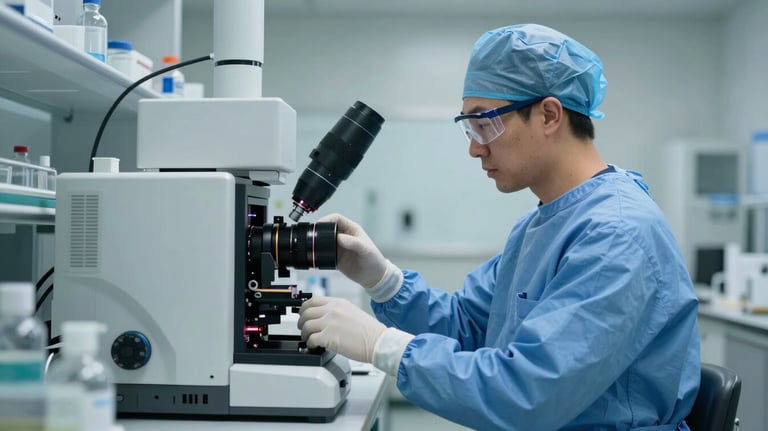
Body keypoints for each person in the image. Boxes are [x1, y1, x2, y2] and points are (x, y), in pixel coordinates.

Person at [298, 23, 700, 430]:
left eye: (485, 122)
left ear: (548, 114)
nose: (475, 147)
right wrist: (382, 279)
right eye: (469, 127)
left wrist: (382, 345)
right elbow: (469, 327)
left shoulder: (617, 234)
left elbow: (528, 395)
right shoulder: (541, 225)